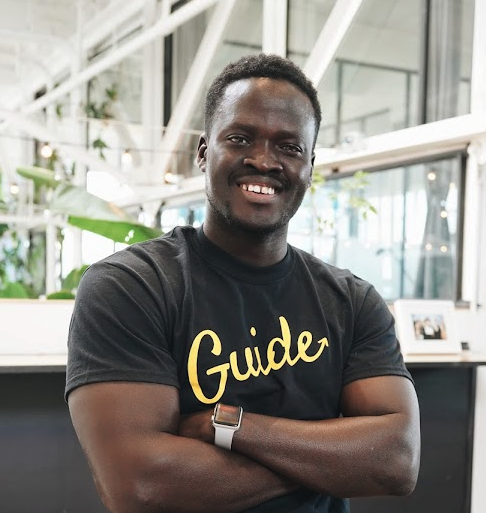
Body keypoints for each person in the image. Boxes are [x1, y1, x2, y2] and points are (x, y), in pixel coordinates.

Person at [65, 53, 420, 513]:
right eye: (240, 138)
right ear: (203, 152)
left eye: (289, 147)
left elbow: (396, 460)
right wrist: (329, 462)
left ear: (309, 166)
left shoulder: (352, 302)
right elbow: (141, 487)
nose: (263, 161)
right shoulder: (133, 286)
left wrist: (228, 426)